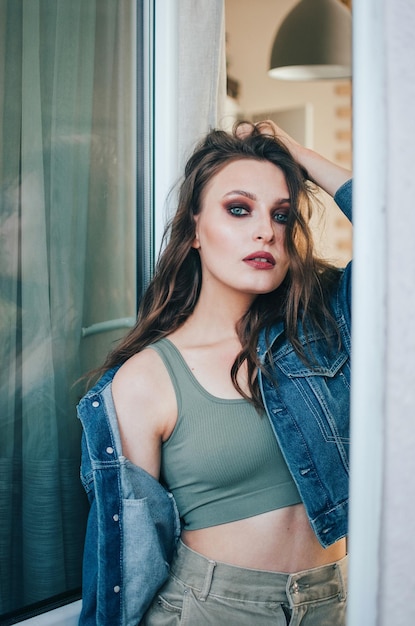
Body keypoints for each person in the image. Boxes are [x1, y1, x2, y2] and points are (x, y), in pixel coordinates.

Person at [77, 120, 352, 626]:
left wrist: (296, 154)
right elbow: (125, 555)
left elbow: (403, 239)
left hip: (332, 601)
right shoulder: (147, 377)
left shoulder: (323, 333)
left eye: (283, 215)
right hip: (210, 608)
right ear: (195, 229)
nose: (266, 230)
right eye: (239, 209)